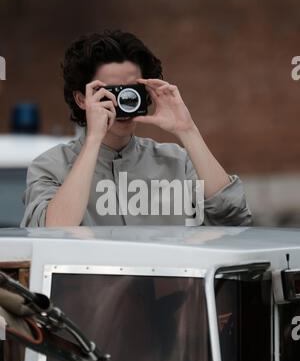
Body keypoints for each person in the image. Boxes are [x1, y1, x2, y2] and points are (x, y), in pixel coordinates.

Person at [21, 30, 252, 227]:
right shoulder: (51, 167)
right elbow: (54, 233)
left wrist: (187, 130)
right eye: (111, 92)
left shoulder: (176, 162)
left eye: (132, 91)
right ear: (82, 99)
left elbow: (233, 219)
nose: (124, 101)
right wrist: (93, 139)